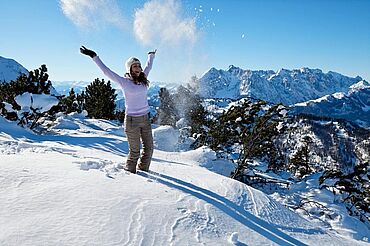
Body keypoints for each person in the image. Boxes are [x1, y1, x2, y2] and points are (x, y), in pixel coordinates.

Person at [80, 45, 156, 174]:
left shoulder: (143, 79)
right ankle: (130, 174)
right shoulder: (124, 81)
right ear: (130, 69)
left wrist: (151, 56)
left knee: (149, 149)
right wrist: (94, 56)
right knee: (135, 151)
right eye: (135, 66)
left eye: (139, 65)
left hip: (145, 119)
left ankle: (144, 172)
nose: (138, 68)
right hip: (132, 121)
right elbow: (106, 71)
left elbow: (149, 66)